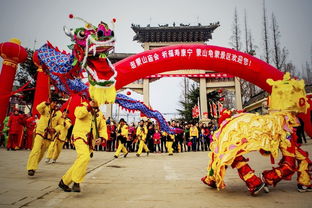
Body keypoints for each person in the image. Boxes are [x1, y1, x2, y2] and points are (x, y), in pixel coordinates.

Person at [59, 100, 107, 192]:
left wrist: (102, 138)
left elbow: (103, 127)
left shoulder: (100, 114)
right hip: (79, 136)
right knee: (84, 157)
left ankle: (64, 182)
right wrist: (89, 107)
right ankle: (76, 182)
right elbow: (78, 114)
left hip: (90, 141)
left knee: (80, 161)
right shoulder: (82, 106)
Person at [26, 99, 62, 176]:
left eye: (55, 102)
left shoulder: (59, 113)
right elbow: (38, 108)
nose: (54, 104)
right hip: (40, 132)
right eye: (53, 102)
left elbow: (61, 125)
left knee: (41, 153)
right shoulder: (45, 108)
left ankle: (34, 165)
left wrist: (55, 129)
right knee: (35, 150)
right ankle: (31, 168)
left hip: (49, 136)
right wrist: (44, 103)